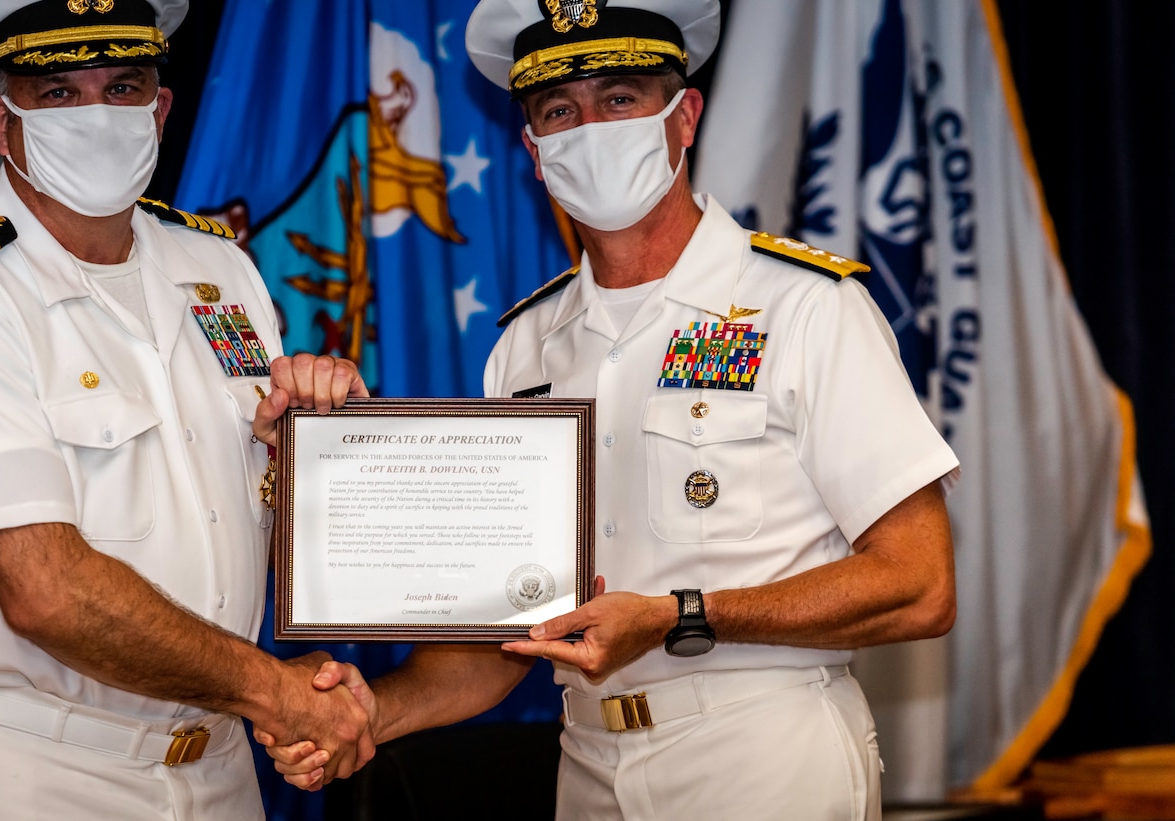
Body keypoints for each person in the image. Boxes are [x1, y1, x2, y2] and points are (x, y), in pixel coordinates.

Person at [261, 1, 960, 818]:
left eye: (621, 99)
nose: (590, 128)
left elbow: (920, 582)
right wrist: (369, 711)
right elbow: (509, 636)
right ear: (532, 149)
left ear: (684, 115)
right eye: (560, 111)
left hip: (765, 751)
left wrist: (678, 617)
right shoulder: (524, 350)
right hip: (589, 765)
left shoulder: (805, 308)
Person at [0, 2, 373, 818]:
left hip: (221, 764)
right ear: (2, 120)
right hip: (34, 770)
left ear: (160, 108)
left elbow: (252, 528)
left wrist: (318, 446)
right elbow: (45, 591)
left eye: (123, 85)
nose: (97, 115)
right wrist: (274, 688)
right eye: (58, 92)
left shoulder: (220, 270)